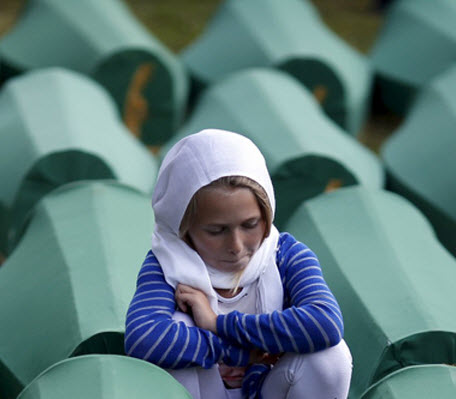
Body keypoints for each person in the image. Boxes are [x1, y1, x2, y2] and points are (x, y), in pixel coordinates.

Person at [125, 129, 352, 399]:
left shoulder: (284, 254)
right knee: (176, 325)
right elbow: (144, 338)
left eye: (250, 225)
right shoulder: (167, 263)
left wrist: (217, 324)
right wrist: (237, 351)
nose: (236, 245)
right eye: (216, 230)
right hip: (203, 391)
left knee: (331, 354)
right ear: (184, 228)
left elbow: (325, 321)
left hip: (269, 387)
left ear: (267, 216)